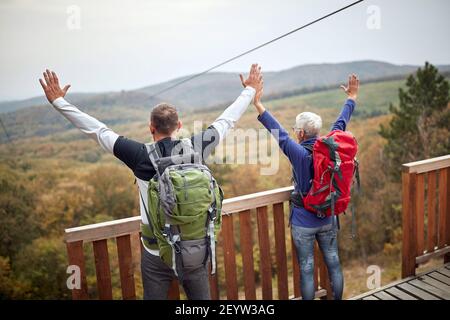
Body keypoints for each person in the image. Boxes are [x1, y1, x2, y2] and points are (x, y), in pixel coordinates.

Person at [39, 64, 263, 300]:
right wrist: (249, 90)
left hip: (155, 251)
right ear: (178, 126)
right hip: (193, 249)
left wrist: (59, 102)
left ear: (151, 128)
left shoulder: (139, 156)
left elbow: (98, 131)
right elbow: (227, 120)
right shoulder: (197, 148)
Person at [252, 74, 360, 300]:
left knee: (307, 269)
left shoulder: (299, 153)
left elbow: (278, 132)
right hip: (329, 216)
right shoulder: (331, 146)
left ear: (300, 133)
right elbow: (341, 123)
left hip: (303, 221)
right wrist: (351, 98)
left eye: (295, 130)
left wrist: (258, 104)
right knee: (334, 263)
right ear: (318, 132)